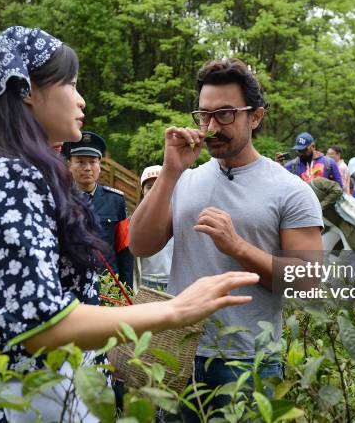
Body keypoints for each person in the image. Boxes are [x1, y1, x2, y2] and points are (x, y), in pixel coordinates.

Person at [0, 26, 260, 422]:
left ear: (256, 118)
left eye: (225, 114)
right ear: (27, 90)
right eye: (72, 85)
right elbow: (43, 321)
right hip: (34, 397)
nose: (81, 100)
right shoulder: (7, 178)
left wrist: (0, 323)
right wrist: (176, 310)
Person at [129, 58, 323, 420]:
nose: (212, 126)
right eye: (204, 115)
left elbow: (307, 282)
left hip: (248, 361)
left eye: (226, 114)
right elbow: (140, 245)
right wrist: (171, 171)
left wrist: (238, 247)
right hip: (176, 352)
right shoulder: (185, 178)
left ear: (256, 117)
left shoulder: (290, 191)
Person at [63, 131, 134, 288]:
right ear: (69, 165)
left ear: (99, 166)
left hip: (109, 284)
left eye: (93, 162)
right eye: (80, 162)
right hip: (73, 283)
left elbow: (124, 248)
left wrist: (126, 289)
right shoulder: (60, 199)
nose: (87, 168)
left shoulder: (116, 200)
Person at [133, 165, 173, 291]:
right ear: (142, 191)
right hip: (146, 284)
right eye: (150, 187)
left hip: (175, 282)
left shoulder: (179, 216)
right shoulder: (134, 221)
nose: (155, 191)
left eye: (159, 186)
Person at [308, 176, 355, 252]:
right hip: (329, 227)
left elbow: (337, 190)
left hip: (343, 222)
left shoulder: (316, 183)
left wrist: (322, 205)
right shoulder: (300, 200)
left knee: (352, 252)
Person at [277, 132, 343, 186]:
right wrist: (277, 165)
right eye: (299, 150)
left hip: (323, 201)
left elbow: (339, 188)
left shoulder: (329, 163)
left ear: (313, 146)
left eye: (304, 150)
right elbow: (280, 183)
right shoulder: (292, 166)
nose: (301, 153)